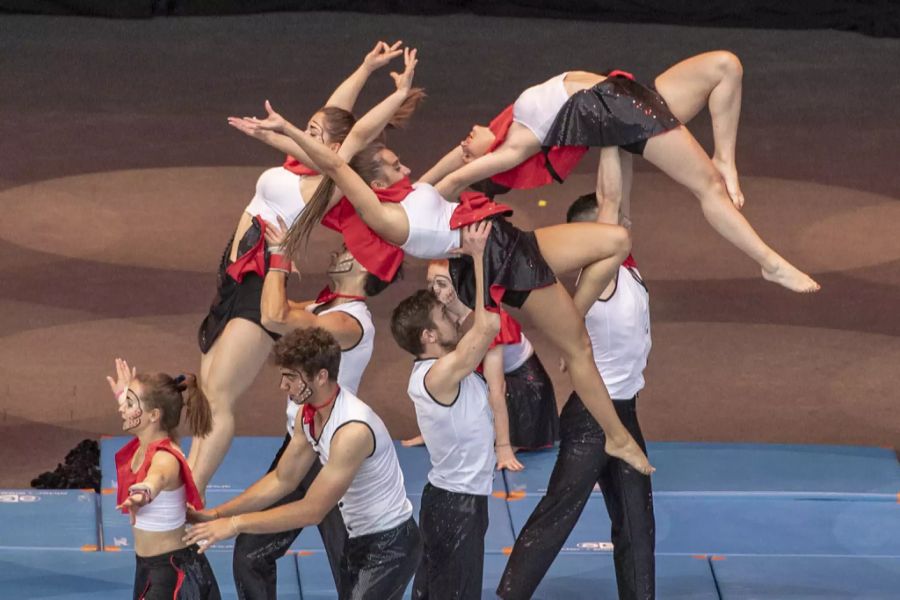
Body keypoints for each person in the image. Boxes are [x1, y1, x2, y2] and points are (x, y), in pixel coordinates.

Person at [234, 108, 653, 475]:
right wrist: (286, 130)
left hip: (508, 238)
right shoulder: (387, 219)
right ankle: (616, 436)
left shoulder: (412, 194)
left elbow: (378, 151)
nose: (408, 171)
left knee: (616, 240)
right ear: (376, 185)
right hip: (492, 256)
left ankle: (573, 317)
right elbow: (337, 166)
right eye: (397, 167)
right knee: (578, 347)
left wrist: (275, 134)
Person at [189, 42, 422, 493]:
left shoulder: (330, 184)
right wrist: (366, 66)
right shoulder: (298, 163)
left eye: (316, 132)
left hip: (260, 285)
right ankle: (184, 491)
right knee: (206, 396)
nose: (306, 134)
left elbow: (359, 130)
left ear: (334, 148)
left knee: (219, 399)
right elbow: (338, 109)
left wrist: (397, 95)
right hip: (234, 275)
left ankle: (188, 501)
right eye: (309, 128)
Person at [423, 51, 819, 293]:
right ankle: (770, 263)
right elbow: (457, 175)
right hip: (619, 113)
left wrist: (414, 186)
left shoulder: (508, 121)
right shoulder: (513, 147)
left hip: (630, 95)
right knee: (710, 189)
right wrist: (411, 212)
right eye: (467, 147)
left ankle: (725, 158)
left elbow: (450, 163)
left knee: (726, 66)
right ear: (484, 160)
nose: (463, 141)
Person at [225, 221, 400, 599]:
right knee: (250, 555)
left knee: (348, 573)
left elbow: (276, 318)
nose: (337, 250)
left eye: (347, 249)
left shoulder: (348, 323)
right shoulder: (327, 305)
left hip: (334, 452)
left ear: (365, 268)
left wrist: (280, 258)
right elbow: (273, 310)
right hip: (302, 440)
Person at [184, 328, 421, 600]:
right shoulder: (307, 416)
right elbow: (282, 480)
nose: (282, 386)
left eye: (291, 378)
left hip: (389, 546)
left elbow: (312, 511)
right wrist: (217, 514)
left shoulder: (352, 431)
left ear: (321, 376)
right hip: (357, 538)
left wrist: (236, 524)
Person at [497, 192, 655, 600]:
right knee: (557, 515)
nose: (626, 228)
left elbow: (618, 189)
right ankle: (509, 595)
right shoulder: (596, 278)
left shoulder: (630, 271)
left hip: (624, 412)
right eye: (617, 222)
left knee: (636, 523)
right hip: (591, 420)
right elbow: (612, 193)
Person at [391, 221, 499, 599]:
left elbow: (475, 325)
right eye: (444, 317)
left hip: (456, 500)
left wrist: (452, 303)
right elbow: (488, 327)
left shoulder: (441, 364)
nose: (453, 316)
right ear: (428, 337)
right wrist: (479, 257)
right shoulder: (438, 375)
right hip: (457, 507)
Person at [403, 259, 558, 470]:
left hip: (523, 387)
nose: (433, 291)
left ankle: (511, 437)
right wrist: (432, 431)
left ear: (459, 285)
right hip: (483, 376)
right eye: (430, 283)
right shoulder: (443, 316)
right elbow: (441, 376)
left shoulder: (487, 321)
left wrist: (503, 446)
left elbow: (497, 388)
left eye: (442, 284)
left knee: (482, 392)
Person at [107, 358, 220, 599]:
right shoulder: (148, 439)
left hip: (171, 573)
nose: (121, 409)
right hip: (149, 567)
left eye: (129, 403)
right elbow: (141, 411)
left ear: (154, 415)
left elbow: (155, 480)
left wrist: (142, 494)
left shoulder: (165, 459)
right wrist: (123, 393)